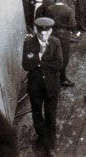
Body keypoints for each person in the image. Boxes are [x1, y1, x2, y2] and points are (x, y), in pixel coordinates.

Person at [22, 17, 63, 157]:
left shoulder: (55, 42)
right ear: (36, 30)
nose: (44, 35)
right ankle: (43, 139)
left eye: (47, 32)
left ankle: (50, 145)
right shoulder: (28, 43)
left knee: (51, 115)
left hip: (52, 87)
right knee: (37, 115)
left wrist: (39, 62)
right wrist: (39, 54)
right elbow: (26, 66)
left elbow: (59, 65)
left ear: (51, 30)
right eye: (40, 32)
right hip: (35, 87)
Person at [46, 0, 76, 87]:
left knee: (53, 55)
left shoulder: (50, 8)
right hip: (64, 36)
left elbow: (47, 22)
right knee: (64, 56)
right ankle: (62, 78)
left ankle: (52, 77)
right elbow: (73, 25)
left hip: (52, 34)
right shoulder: (68, 9)